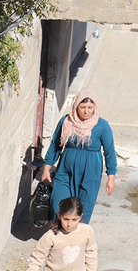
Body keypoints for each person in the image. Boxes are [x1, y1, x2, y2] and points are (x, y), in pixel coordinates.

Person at [40, 91, 117, 222]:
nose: (86, 111)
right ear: (76, 106)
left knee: (83, 210)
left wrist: (111, 177)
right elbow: (55, 145)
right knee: (58, 205)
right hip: (65, 170)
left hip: (90, 173)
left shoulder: (102, 126)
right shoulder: (66, 121)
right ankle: (57, 235)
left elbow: (109, 152)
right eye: (83, 107)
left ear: (94, 108)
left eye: (90, 108)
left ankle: (77, 239)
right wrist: (46, 168)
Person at [24, 197, 98, 271]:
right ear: (59, 216)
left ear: (80, 217)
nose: (69, 224)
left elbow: (91, 252)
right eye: (66, 219)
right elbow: (37, 256)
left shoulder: (87, 231)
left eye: (74, 219)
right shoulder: (51, 236)